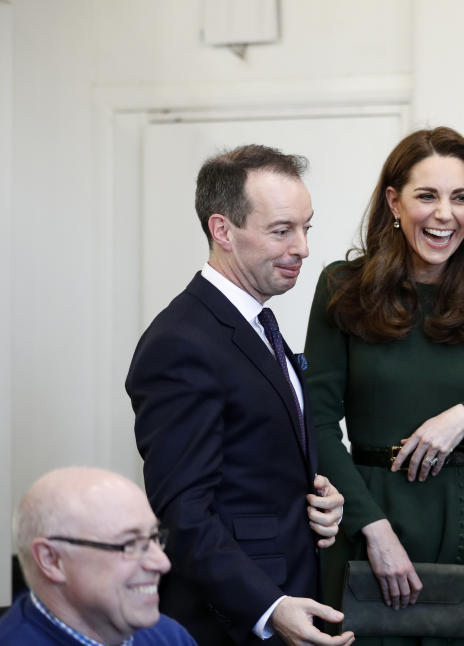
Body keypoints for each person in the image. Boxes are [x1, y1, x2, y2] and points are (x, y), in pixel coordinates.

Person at [304, 126, 464, 645]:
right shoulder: (341, 289)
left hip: (459, 521)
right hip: (363, 519)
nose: (445, 214)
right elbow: (318, 424)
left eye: (460, 198)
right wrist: (373, 528)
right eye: (427, 196)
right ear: (394, 201)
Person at [126, 145, 353, 646]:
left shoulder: (260, 325)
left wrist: (319, 499)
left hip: (291, 599)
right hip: (231, 623)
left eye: (305, 228)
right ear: (222, 230)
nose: (303, 248)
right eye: (281, 230)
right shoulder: (180, 341)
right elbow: (183, 513)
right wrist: (268, 608)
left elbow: (258, 466)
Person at [0, 466, 197, 645]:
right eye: (129, 544)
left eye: (154, 537)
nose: (162, 563)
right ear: (51, 560)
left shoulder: (168, 636)